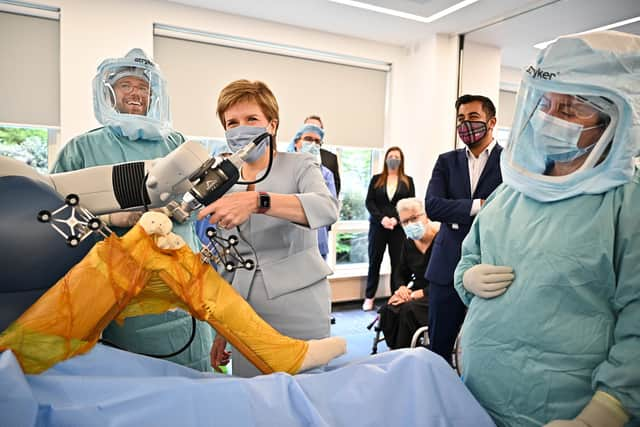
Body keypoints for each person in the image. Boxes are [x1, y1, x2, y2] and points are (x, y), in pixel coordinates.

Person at [454, 31, 639, 427]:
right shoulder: (514, 189)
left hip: (566, 409)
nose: (552, 119)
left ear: (615, 118)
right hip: (479, 396)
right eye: (547, 103)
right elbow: (470, 254)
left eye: (571, 110)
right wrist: (467, 276)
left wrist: (606, 412)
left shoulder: (628, 203)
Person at [51, 48, 215, 372]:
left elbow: (200, 204)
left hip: (182, 287)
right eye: (126, 85)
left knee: (195, 384)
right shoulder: (81, 149)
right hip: (122, 293)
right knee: (132, 381)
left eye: (143, 86)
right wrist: (113, 219)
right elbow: (56, 218)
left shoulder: (177, 144)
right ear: (108, 93)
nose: (136, 93)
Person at [200, 79, 339, 377]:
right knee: (255, 402)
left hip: (299, 304)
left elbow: (327, 208)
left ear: (272, 125)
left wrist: (258, 201)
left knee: (306, 397)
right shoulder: (222, 181)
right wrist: (222, 327)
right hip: (245, 313)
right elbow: (227, 259)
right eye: (231, 123)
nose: (241, 129)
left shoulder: (300, 165)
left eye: (252, 119)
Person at [424, 94, 503, 365]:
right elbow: (433, 206)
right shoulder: (446, 161)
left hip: (491, 267)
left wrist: (456, 209)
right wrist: (479, 205)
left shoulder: (510, 163)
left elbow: (507, 209)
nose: (465, 124)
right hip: (446, 267)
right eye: (460, 119)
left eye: (473, 118)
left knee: (487, 350)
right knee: (438, 350)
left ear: (491, 122)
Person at [377, 197, 438, 349]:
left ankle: (406, 355)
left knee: (407, 310)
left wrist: (417, 294)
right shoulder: (408, 242)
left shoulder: (443, 240)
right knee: (388, 309)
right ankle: (397, 351)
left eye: (414, 218)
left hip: (439, 292)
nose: (410, 225)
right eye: (405, 222)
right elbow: (400, 272)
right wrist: (401, 288)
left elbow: (451, 278)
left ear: (426, 215)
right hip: (415, 292)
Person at [363, 146, 415, 311]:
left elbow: (410, 204)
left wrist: (397, 220)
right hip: (378, 227)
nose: (393, 158)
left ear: (401, 160)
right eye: (391, 156)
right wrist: (382, 219)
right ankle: (369, 297)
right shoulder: (376, 179)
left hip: (398, 229)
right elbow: (369, 202)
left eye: (397, 156)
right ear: (386, 159)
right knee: (374, 262)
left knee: (398, 264)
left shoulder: (408, 181)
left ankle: (396, 296)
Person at [289, 123, 337, 260]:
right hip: (289, 240)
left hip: (318, 238)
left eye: (317, 141)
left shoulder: (326, 174)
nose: (313, 144)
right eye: (308, 139)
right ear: (297, 142)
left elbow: (330, 208)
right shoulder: (285, 169)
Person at [304, 115, 341, 196]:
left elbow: (335, 188)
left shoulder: (331, 159)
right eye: (309, 127)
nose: (313, 131)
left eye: (317, 128)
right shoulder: (291, 156)